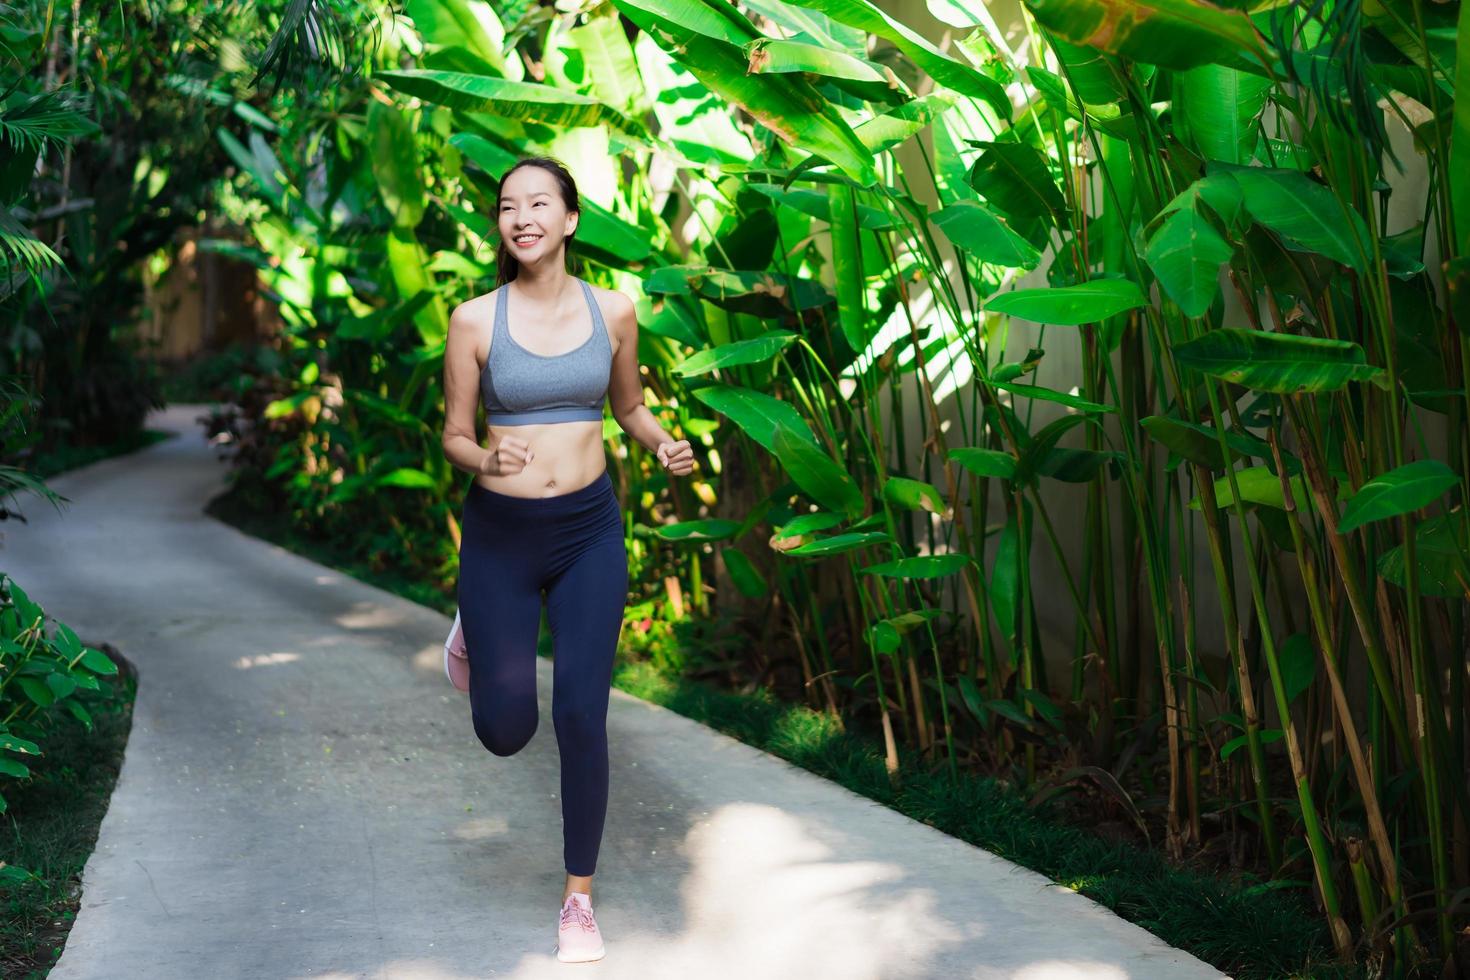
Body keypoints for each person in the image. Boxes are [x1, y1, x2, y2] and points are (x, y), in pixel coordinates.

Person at [439, 156, 694, 963]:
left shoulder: (615, 311)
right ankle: (477, 629)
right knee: (507, 729)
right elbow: (453, 433)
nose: (522, 217)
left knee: (583, 713)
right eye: (509, 206)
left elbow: (628, 405)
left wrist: (659, 443)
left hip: (588, 532)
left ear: (570, 219)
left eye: (539, 203)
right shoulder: (474, 320)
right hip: (500, 539)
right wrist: (485, 461)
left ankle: (578, 901)